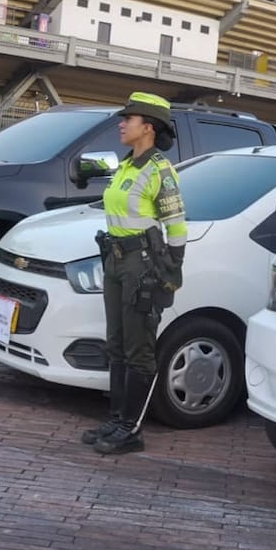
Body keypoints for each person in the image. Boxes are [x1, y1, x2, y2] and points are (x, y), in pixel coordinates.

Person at [81, 91, 186, 456]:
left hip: (143, 264)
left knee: (140, 347)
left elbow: (176, 225)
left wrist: (170, 273)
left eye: (130, 119)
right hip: (115, 259)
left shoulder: (160, 171)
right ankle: (116, 419)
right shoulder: (127, 166)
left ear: (149, 128)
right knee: (117, 344)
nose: (122, 124)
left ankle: (131, 429)